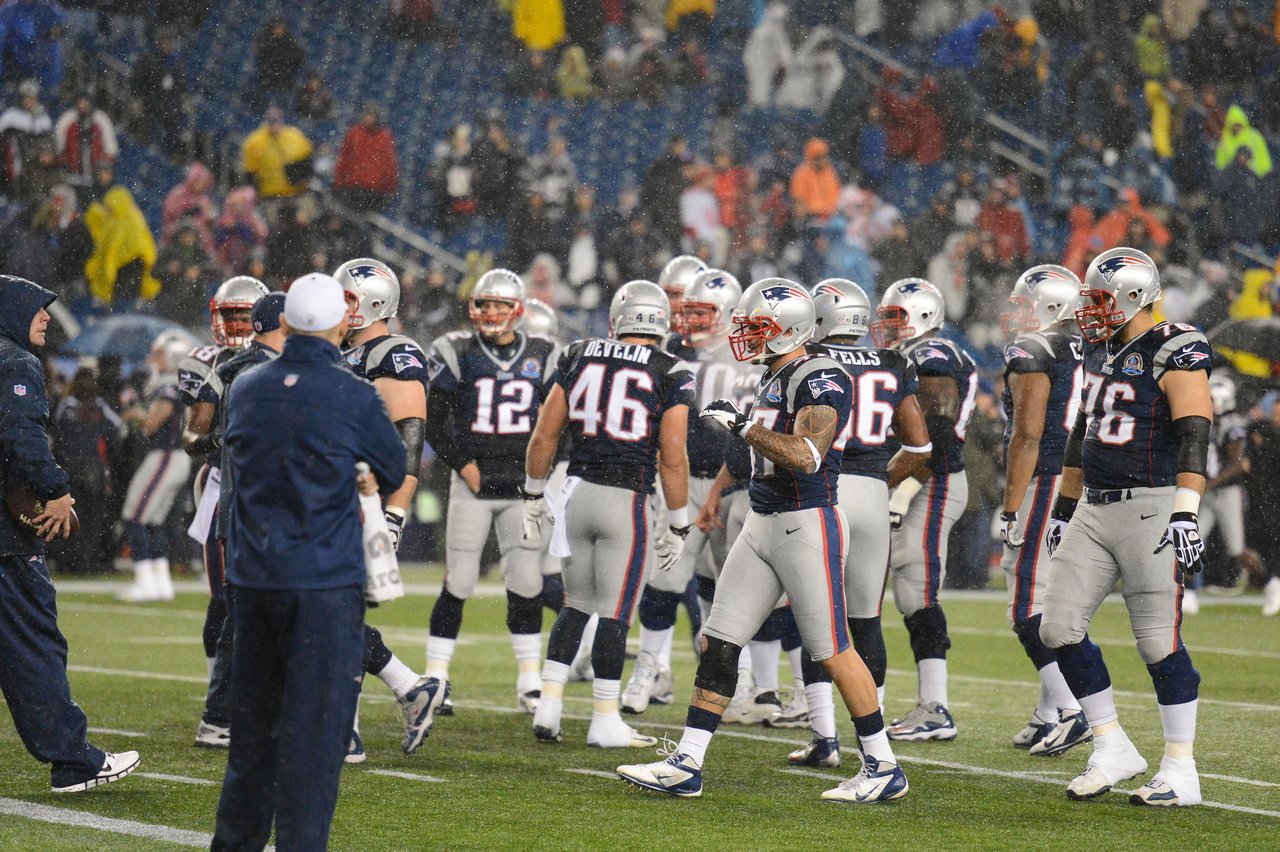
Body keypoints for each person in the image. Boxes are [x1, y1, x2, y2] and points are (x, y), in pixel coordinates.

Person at [617, 279, 907, 802]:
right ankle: (688, 761)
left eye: (758, 327)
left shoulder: (820, 375)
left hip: (806, 523)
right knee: (719, 639)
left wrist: (744, 427)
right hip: (762, 518)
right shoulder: (776, 374)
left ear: (790, 329)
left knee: (835, 651)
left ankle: (883, 765)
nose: (747, 335)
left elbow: (807, 455)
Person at [212, 272, 405, 850]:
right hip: (322, 583)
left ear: (288, 321)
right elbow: (393, 467)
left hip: (254, 580)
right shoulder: (351, 391)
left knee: (252, 742)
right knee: (314, 746)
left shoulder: (246, 386)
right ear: (342, 322)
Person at [1039, 247, 1212, 806]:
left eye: (1099, 299)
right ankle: (1111, 743)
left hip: (1153, 504)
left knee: (1158, 643)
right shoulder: (1099, 348)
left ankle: (1181, 770)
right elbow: (1080, 434)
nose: (1090, 310)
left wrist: (1186, 509)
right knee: (1057, 628)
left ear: (1135, 296)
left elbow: (1194, 431)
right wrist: (1063, 510)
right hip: (1095, 504)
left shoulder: (1175, 346)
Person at [525, 280, 692, 748]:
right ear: (660, 321)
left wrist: (534, 494)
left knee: (575, 604)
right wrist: (679, 519)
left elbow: (544, 435)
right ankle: (603, 719)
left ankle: (549, 705)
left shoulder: (578, 352)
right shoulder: (671, 370)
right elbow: (672, 456)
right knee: (616, 614)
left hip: (575, 494)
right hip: (625, 500)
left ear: (617, 319)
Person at [0, 275, 140, 793]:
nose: (44, 318)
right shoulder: (14, 363)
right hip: (7, 543)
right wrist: (54, 490)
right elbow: (21, 435)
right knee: (34, 644)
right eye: (37, 309)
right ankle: (73, 761)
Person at [784, 278, 932, 767]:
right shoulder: (893, 362)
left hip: (823, 490)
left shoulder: (811, 365)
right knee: (866, 621)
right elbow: (921, 447)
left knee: (816, 615)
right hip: (870, 492)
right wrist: (880, 483)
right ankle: (876, 744)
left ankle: (825, 738)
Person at [422, 269, 561, 713]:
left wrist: (542, 475)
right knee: (458, 580)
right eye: (484, 304)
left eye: (500, 305)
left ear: (518, 310)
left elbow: (561, 423)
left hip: (524, 486)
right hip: (473, 483)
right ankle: (437, 677)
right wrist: (463, 463)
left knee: (526, 582)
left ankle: (529, 681)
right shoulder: (456, 349)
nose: (491, 313)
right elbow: (435, 419)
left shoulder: (545, 352)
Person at [622, 269, 752, 715]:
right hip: (685, 478)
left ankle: (742, 679)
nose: (691, 321)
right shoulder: (673, 350)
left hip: (738, 482)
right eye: (689, 311)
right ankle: (650, 668)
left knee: (733, 586)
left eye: (703, 312)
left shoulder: (750, 355)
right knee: (666, 576)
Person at [335, 258, 440, 758]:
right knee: (333, 609)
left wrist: (395, 512)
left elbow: (409, 439)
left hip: (366, 498)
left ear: (377, 302)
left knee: (336, 608)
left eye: (350, 298)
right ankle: (410, 687)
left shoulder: (395, 352)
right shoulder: (338, 349)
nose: (342, 308)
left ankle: (346, 730)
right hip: (333, 494)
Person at [872, 278, 977, 742]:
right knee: (907, 592)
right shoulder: (913, 355)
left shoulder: (934, 355)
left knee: (913, 578)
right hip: (914, 479)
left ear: (924, 316)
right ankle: (928, 705)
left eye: (896, 317)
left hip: (930, 481)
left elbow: (934, 432)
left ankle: (935, 707)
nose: (887, 326)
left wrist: (899, 490)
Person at [995, 265, 1091, 757]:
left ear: (1053, 307)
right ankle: (1048, 712)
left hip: (1049, 476)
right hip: (1085, 477)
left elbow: (1027, 435)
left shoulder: (1034, 350)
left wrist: (1010, 507)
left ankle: (1074, 709)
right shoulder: (1088, 345)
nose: (1014, 312)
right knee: (1054, 594)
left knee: (1026, 600)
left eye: (1024, 303)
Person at [178, 276, 269, 748]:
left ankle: (232, 698)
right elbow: (193, 438)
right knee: (229, 598)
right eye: (229, 314)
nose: (234, 324)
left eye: (242, 315)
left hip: (260, 485)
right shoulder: (208, 362)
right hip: (222, 482)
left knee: (246, 599)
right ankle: (223, 701)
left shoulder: (270, 357)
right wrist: (226, 440)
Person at [199, 292, 288, 752]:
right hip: (255, 514)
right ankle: (222, 714)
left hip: (249, 510)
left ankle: (236, 711)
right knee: (246, 618)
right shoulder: (257, 375)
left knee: (250, 616)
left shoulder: (246, 370)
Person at [116, 329, 195, 602]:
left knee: (134, 516)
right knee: (153, 521)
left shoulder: (169, 385)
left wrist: (135, 411)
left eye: (159, 352)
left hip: (165, 456)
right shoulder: (178, 383)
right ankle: (161, 583)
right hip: (175, 457)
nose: (153, 357)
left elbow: (151, 423)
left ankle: (145, 582)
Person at [333, 105, 399, 213]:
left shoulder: (384, 137)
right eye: (366, 115)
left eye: (371, 116)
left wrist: (390, 189)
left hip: (374, 191)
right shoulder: (354, 133)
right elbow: (344, 158)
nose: (368, 118)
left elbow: (390, 165)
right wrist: (339, 181)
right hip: (353, 186)